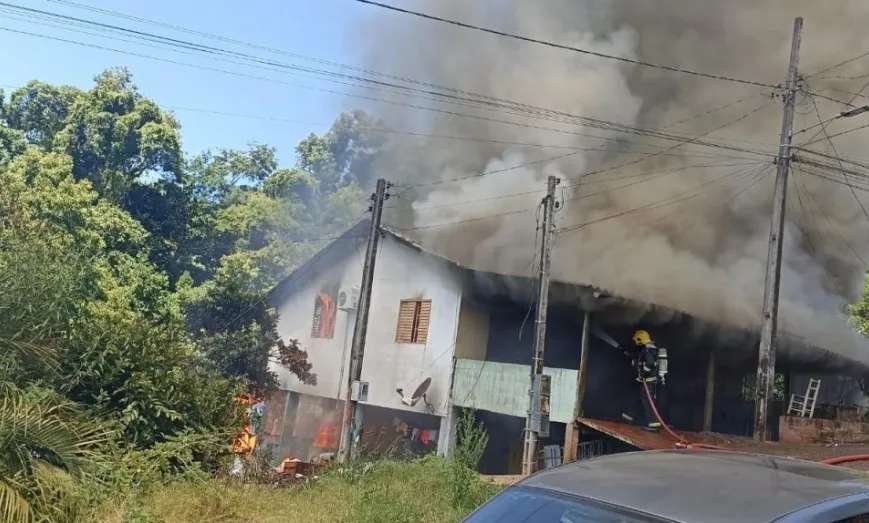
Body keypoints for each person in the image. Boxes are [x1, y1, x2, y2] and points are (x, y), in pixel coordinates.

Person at [621, 329, 668, 432]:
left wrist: (643, 373)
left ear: (640, 339)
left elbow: (650, 364)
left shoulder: (647, 350)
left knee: (647, 401)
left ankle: (654, 424)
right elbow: (643, 361)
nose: (635, 342)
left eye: (636, 340)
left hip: (648, 381)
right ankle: (628, 417)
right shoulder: (651, 349)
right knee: (639, 397)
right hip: (648, 381)